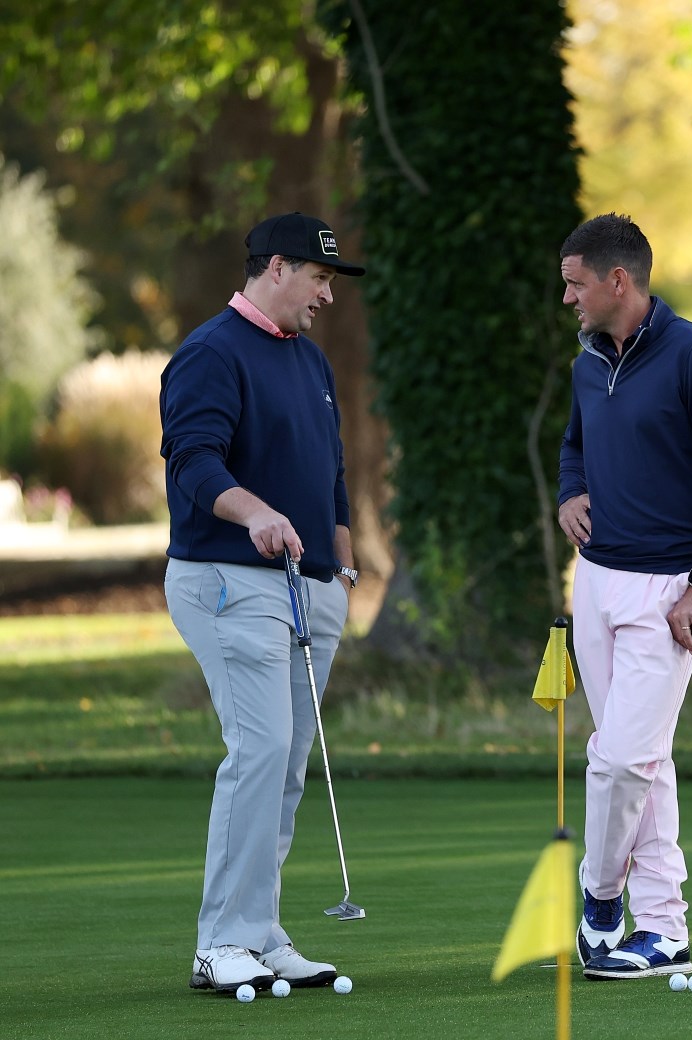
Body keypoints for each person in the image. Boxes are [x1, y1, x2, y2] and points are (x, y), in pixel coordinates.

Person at [160, 212, 365, 994]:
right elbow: (194, 463)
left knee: (283, 764)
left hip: (310, 586)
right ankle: (223, 941)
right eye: (321, 278)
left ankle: (259, 931)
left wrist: (342, 566)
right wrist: (258, 515)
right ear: (275, 267)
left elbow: (334, 473)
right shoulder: (210, 353)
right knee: (260, 749)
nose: (328, 296)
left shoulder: (310, 362)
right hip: (228, 578)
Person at [557, 213, 692, 980]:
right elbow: (576, 443)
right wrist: (570, 491)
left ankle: (601, 899)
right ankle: (664, 928)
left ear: (618, 281)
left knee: (621, 762)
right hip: (596, 581)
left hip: (668, 586)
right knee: (644, 763)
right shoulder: (585, 363)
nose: (566, 299)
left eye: (575, 285)